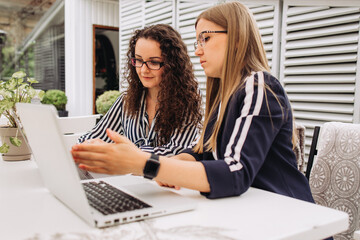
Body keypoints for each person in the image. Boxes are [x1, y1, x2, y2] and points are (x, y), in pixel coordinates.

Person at [71, 2, 314, 203]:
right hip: (249, 210)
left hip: (287, 215)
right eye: (197, 41)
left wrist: (145, 163)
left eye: (205, 39)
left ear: (238, 39)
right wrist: (158, 164)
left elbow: (236, 172)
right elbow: (202, 154)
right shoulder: (224, 97)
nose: (197, 51)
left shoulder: (260, 85)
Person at [78, 24, 202, 157]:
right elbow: (95, 136)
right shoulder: (126, 101)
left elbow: (177, 151)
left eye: (154, 62)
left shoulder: (188, 100)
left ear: (173, 65)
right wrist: (88, 146)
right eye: (138, 60)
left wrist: (128, 153)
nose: (143, 70)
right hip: (128, 176)